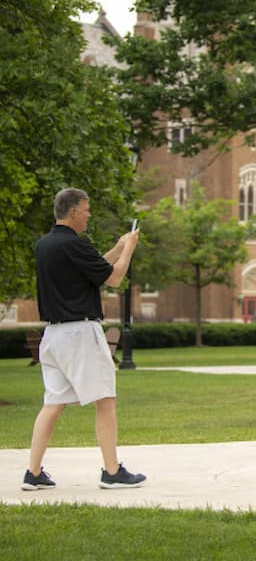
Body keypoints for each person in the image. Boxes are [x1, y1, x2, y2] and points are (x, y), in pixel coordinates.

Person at [22, 188, 146, 491]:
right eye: (87, 210)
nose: (89, 215)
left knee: (52, 403)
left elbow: (95, 269)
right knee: (105, 400)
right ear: (74, 211)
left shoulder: (46, 245)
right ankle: (112, 471)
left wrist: (116, 248)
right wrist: (129, 248)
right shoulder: (76, 244)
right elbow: (114, 278)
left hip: (53, 336)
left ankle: (33, 473)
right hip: (80, 334)